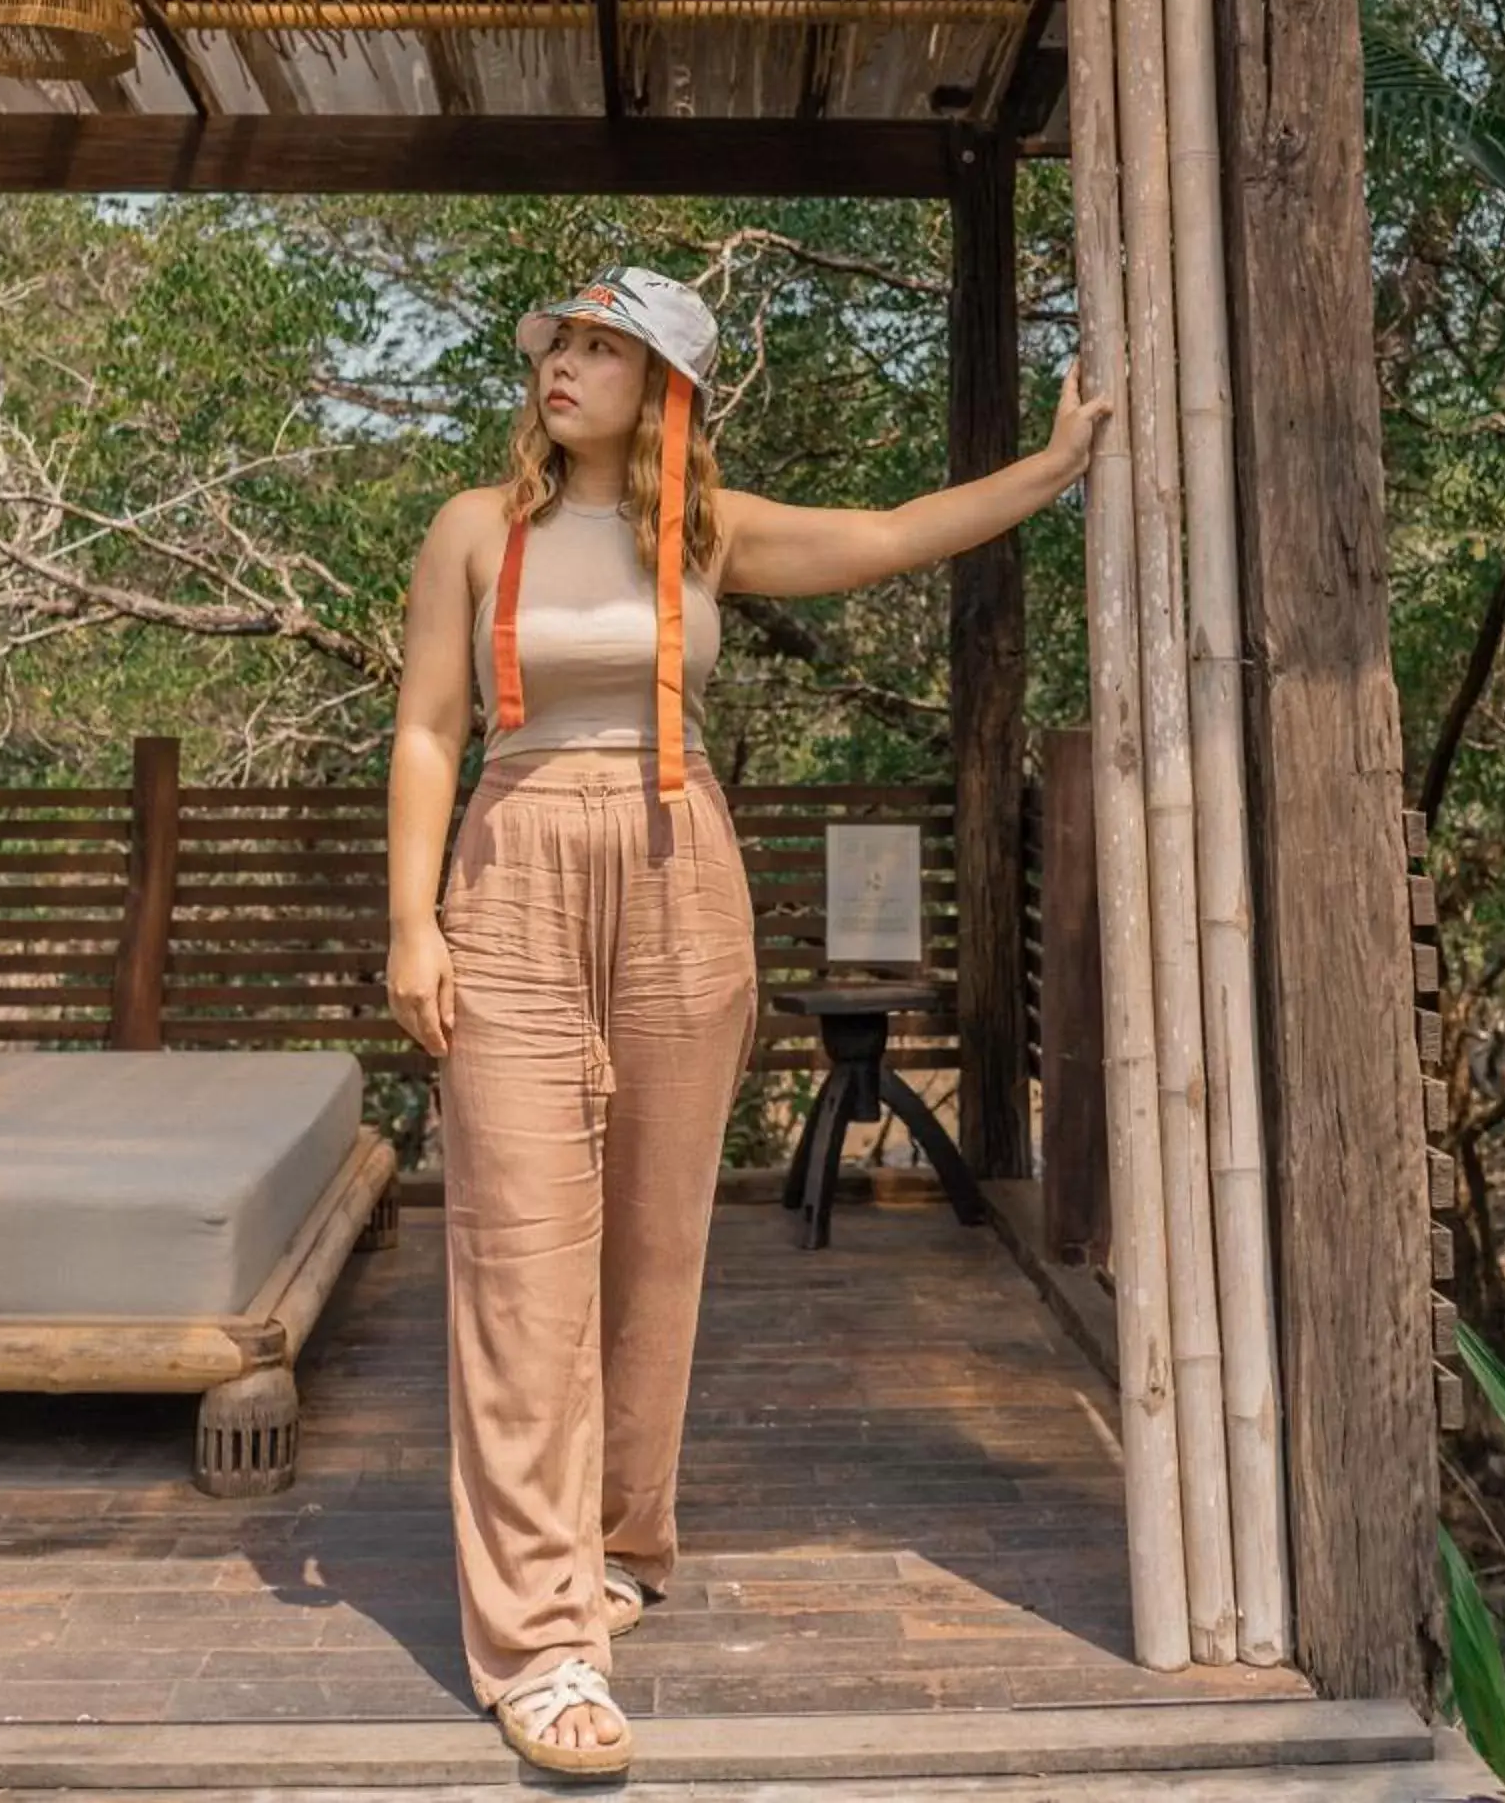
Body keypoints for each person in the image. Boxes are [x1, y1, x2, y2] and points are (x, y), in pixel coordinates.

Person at [384, 263, 1107, 1779]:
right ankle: (539, 1644)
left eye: (603, 349)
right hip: (511, 872)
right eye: (562, 344)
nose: (566, 367)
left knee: (655, 1237)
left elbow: (897, 534)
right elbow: (429, 726)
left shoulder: (701, 531)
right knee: (518, 1251)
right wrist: (410, 923)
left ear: (666, 389)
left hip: (677, 871)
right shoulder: (473, 529)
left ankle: (623, 1540)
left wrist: (1048, 468)